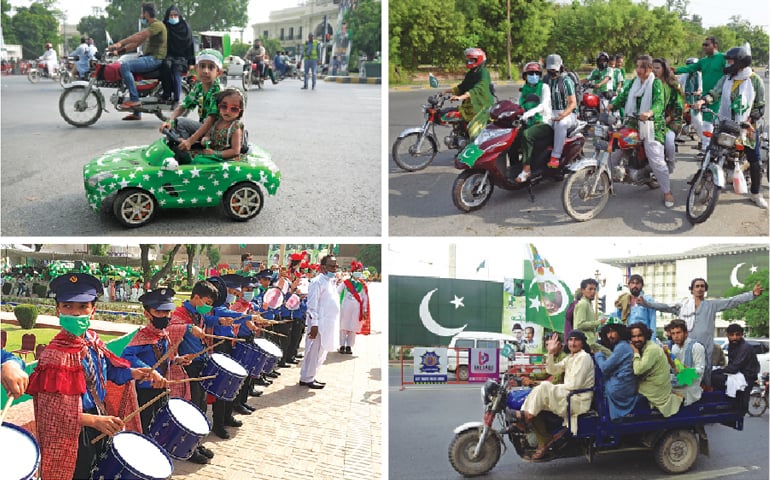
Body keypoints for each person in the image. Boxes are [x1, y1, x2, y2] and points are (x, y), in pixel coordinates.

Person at [26, 273, 165, 479]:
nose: (75, 313)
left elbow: (109, 370)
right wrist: (92, 421)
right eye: (68, 306)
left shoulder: (92, 340)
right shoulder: (54, 356)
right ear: (58, 310)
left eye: (83, 307)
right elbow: (51, 412)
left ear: (93, 310)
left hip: (100, 418)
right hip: (75, 432)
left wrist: (134, 373)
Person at [121, 287, 211, 462]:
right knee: (147, 428)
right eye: (159, 312)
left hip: (163, 388)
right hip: (146, 392)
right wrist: (150, 371)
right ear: (147, 314)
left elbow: (166, 358)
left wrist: (177, 360)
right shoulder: (142, 337)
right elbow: (127, 357)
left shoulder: (164, 335)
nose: (165, 316)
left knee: (160, 425)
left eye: (167, 311)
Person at [639, 279, 762, 387]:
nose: (699, 288)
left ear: (705, 289)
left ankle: (704, 400)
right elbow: (664, 306)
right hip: (685, 347)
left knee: (704, 372)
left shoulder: (711, 305)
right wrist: (645, 303)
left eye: (702, 286)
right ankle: (686, 396)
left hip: (704, 347)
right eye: (697, 286)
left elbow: (732, 301)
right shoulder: (683, 306)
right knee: (683, 371)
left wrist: (752, 294)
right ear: (692, 290)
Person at [697, 45, 767, 209]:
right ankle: (702, 176)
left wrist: (750, 120)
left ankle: (755, 193)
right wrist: (703, 100)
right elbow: (715, 92)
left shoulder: (754, 80)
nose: (727, 64)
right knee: (711, 150)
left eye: (730, 61)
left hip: (747, 127)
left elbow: (760, 106)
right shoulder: (727, 78)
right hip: (725, 123)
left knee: (754, 160)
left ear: (740, 62)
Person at [516, 331, 595, 460]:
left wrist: (551, 387)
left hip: (578, 399)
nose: (573, 343)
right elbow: (552, 370)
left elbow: (575, 385)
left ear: (582, 342)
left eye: (576, 340)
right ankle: (527, 415)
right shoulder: (571, 357)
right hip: (569, 394)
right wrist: (550, 353)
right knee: (541, 388)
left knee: (544, 387)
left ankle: (527, 417)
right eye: (570, 340)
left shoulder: (584, 357)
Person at [608, 55, 674, 209]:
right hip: (632, 123)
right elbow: (623, 96)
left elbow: (659, 103)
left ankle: (667, 192)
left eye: (642, 67)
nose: (638, 70)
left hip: (651, 126)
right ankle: (606, 181)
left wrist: (650, 113)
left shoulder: (656, 84)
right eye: (637, 66)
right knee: (615, 150)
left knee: (655, 158)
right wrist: (613, 105)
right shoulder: (633, 82)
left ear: (649, 69)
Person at [166, 279, 218, 459]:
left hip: (199, 364)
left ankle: (196, 443)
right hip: (186, 368)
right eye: (207, 303)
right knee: (191, 408)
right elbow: (170, 329)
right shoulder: (180, 314)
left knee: (201, 406)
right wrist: (188, 328)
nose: (208, 307)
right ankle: (186, 448)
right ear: (196, 297)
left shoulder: (198, 314)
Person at [108, 2, 167, 121]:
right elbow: (136, 43)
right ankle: (137, 113)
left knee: (125, 66)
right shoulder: (151, 27)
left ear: (146, 13)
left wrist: (120, 43)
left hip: (154, 59)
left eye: (142, 13)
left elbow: (139, 36)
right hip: (149, 58)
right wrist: (119, 51)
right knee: (133, 75)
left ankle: (134, 100)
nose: (141, 15)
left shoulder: (157, 25)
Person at [159, 49, 222, 147]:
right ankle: (184, 145)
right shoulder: (199, 87)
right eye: (202, 66)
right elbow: (183, 106)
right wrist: (169, 121)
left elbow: (212, 119)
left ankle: (186, 149)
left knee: (181, 122)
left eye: (211, 67)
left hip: (216, 130)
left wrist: (190, 141)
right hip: (204, 126)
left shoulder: (218, 91)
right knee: (174, 124)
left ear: (218, 73)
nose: (205, 71)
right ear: (196, 69)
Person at [675, 36, 726, 154]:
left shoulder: (722, 58)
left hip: (721, 96)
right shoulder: (703, 61)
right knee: (707, 122)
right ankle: (706, 149)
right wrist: (674, 70)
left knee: (720, 123)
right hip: (706, 97)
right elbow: (689, 68)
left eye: (707, 44)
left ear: (715, 46)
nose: (704, 47)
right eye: (703, 44)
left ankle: (719, 149)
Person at [298, 255, 342, 389]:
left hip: (329, 323)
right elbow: (312, 305)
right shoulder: (317, 282)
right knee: (313, 352)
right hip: (319, 324)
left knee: (322, 352)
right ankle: (307, 378)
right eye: (332, 266)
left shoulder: (331, 281)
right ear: (323, 267)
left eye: (336, 266)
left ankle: (311, 376)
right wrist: (314, 325)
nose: (335, 269)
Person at [629, 322, 682, 417]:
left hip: (655, 393)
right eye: (633, 337)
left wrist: (635, 352)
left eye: (639, 336)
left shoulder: (651, 349)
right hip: (652, 387)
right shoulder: (645, 347)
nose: (636, 339)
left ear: (645, 335)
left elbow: (637, 370)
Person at [515, 61, 553, 183]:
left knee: (527, 135)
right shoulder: (523, 90)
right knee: (511, 136)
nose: (534, 75)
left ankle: (526, 169)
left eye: (536, 73)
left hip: (543, 122)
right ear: (525, 76)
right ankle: (515, 165)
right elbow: (517, 104)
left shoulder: (544, 87)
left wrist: (528, 113)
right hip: (526, 121)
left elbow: (543, 105)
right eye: (531, 73)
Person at [444, 47, 494, 139]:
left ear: (478, 60)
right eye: (468, 60)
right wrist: (446, 92)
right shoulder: (470, 73)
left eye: (472, 60)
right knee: (456, 121)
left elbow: (480, 87)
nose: (469, 62)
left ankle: (475, 151)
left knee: (474, 132)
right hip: (469, 106)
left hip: (481, 107)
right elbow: (463, 86)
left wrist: (462, 97)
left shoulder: (483, 72)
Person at [711, 323, 760, 413]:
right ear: (727, 335)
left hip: (747, 376)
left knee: (714, 377)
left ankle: (728, 405)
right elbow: (731, 365)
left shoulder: (745, 348)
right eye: (732, 335)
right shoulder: (732, 346)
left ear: (741, 335)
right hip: (737, 374)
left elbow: (733, 368)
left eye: (737, 335)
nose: (734, 337)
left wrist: (718, 371)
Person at [594, 323, 638, 420]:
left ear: (620, 332)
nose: (610, 335)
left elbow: (605, 367)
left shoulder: (622, 347)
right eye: (608, 332)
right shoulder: (620, 346)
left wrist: (598, 355)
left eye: (613, 331)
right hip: (622, 384)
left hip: (619, 388)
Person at [543, 54, 578, 169]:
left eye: (554, 69)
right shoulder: (545, 80)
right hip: (550, 112)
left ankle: (555, 157)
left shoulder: (566, 81)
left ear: (560, 67)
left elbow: (573, 103)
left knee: (561, 123)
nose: (552, 71)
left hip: (567, 112)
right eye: (550, 69)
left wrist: (563, 114)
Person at [195, 88, 246, 160]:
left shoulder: (235, 127)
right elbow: (207, 135)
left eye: (234, 109)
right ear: (218, 107)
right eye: (224, 106)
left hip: (227, 160)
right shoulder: (216, 122)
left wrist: (215, 153)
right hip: (212, 154)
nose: (227, 111)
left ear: (240, 112)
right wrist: (205, 139)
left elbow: (235, 151)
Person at [653, 57, 684, 174]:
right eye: (652, 68)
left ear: (664, 69)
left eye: (657, 68)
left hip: (671, 120)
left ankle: (671, 163)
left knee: (668, 140)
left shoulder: (673, 85)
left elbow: (679, 106)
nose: (654, 71)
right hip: (652, 119)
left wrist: (669, 118)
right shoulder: (649, 83)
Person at [666, 319, 705, 406]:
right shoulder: (674, 348)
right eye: (673, 333)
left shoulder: (696, 347)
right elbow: (675, 370)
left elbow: (701, 370)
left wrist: (688, 370)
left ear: (686, 333)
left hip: (691, 387)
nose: (675, 336)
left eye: (678, 333)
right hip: (677, 383)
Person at [161, 5, 194, 104]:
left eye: (175, 15)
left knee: (176, 71)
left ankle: (176, 98)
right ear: (167, 16)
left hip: (182, 58)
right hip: (168, 56)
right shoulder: (164, 26)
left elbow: (190, 45)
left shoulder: (185, 27)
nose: (173, 17)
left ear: (179, 16)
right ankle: (166, 94)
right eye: (171, 16)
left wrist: (191, 62)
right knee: (165, 66)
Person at [339, 261, 370, 354]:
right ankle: (341, 345)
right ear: (352, 272)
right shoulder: (346, 283)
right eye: (356, 270)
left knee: (353, 327)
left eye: (360, 271)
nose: (358, 272)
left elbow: (365, 298)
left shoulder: (363, 285)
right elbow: (337, 291)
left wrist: (364, 310)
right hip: (345, 307)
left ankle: (349, 346)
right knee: (343, 326)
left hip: (357, 309)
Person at [572, 278, 609, 355]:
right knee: (609, 354)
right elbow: (580, 325)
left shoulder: (589, 304)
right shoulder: (583, 304)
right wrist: (599, 322)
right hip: (587, 342)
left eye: (594, 289)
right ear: (583, 290)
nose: (593, 292)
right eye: (590, 289)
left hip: (590, 341)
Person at [677, 57, 703, 144]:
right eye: (688, 66)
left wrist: (699, 91)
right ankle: (677, 137)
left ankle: (703, 140)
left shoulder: (699, 76)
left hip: (696, 101)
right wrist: (680, 91)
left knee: (697, 121)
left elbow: (701, 87)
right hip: (685, 100)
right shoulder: (684, 75)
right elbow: (679, 84)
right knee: (677, 117)